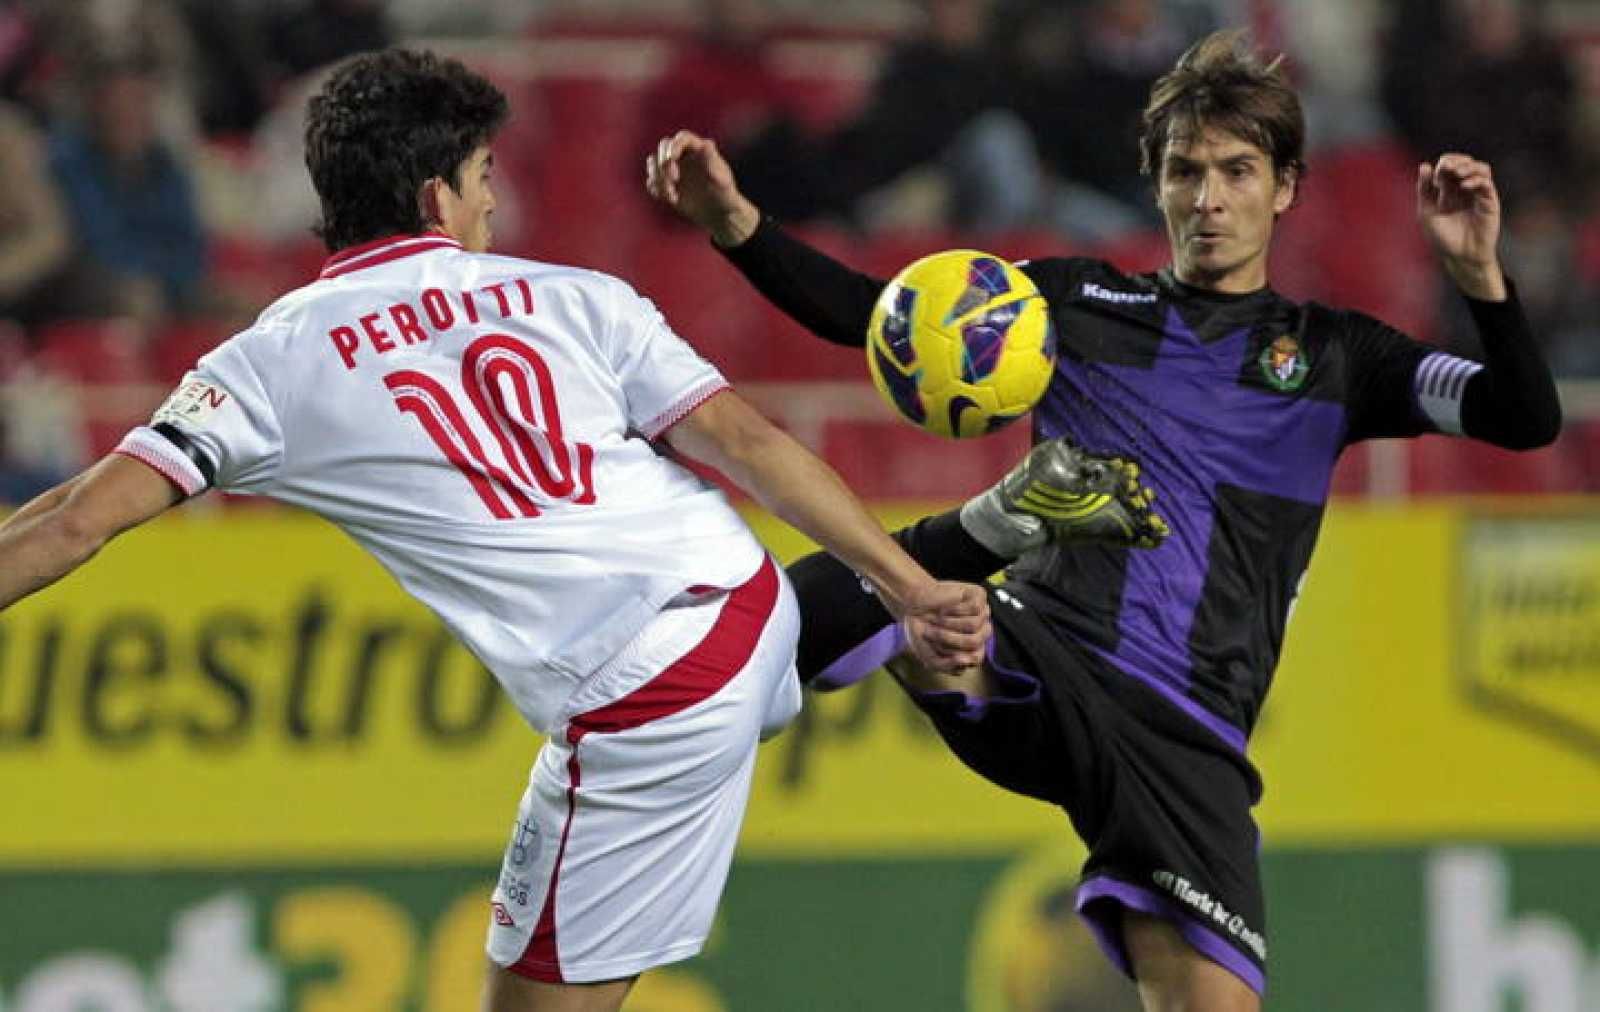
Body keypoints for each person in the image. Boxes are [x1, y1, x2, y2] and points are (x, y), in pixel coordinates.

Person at [0, 49, 999, 1012]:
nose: (490, 201)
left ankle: (973, 544)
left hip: (645, 694)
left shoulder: (267, 361)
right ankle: (959, 547)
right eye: (481, 175)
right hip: (736, 594)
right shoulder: (579, 297)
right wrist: (908, 585)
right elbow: (752, 447)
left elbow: (79, 519)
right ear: (437, 195)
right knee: (771, 645)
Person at [647, 28, 1562, 1012]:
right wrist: (736, 221)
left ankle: (959, 553)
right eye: (1185, 171)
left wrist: (1479, 280)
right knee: (901, 619)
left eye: (1236, 171)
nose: (1208, 198)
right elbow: (876, 317)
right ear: (1156, 184)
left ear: (1285, 187)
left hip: (1192, 738)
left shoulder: (1339, 358)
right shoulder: (1073, 304)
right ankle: (738, 670)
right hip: (1053, 653)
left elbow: (1521, 417)